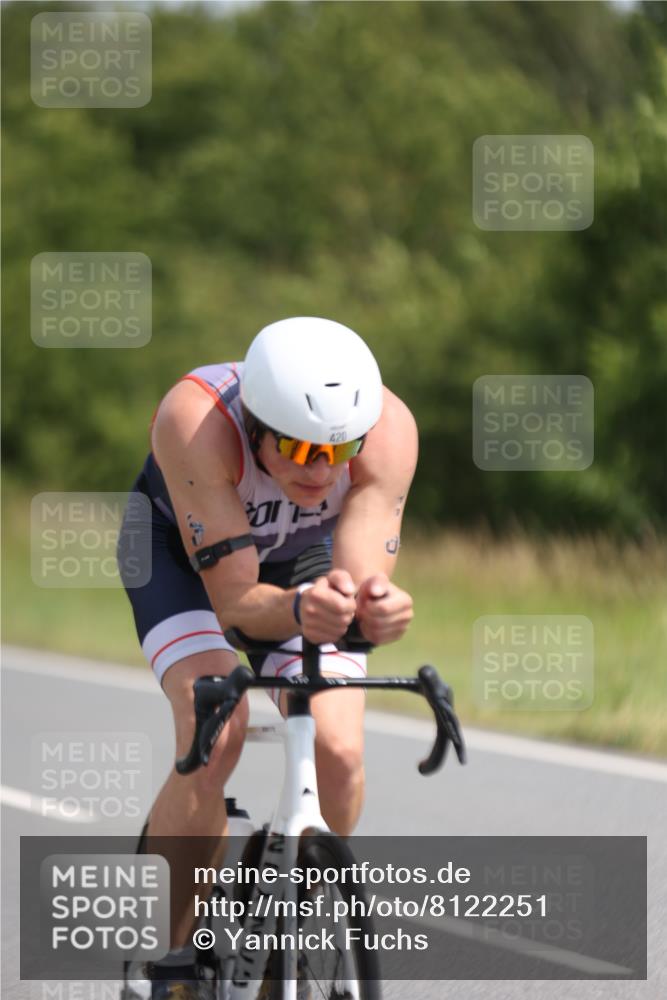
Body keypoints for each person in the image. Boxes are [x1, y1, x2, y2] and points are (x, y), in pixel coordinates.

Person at [118, 316, 418, 999]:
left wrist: (377, 607)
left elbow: (361, 571)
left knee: (339, 755)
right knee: (213, 730)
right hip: (183, 560)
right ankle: (170, 961)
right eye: (299, 448)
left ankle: (282, 899)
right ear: (254, 427)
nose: (323, 469)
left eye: (340, 450)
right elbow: (234, 606)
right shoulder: (193, 421)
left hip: (299, 558)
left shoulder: (389, 430)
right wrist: (299, 612)